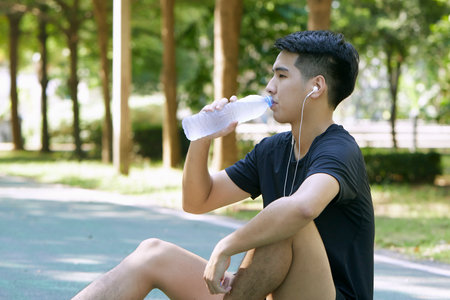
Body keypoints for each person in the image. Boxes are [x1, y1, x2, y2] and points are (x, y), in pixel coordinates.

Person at [73, 30, 374, 300]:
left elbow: (302, 209)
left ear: (316, 87)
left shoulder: (339, 149)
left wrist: (228, 245)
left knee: (287, 223)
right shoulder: (272, 151)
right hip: (266, 293)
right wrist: (203, 136)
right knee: (152, 254)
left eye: (282, 76)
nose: (270, 87)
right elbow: (196, 200)